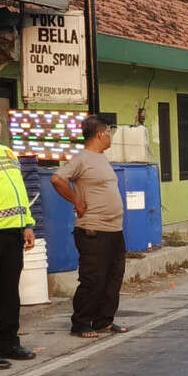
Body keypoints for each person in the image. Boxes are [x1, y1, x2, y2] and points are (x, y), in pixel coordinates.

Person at [50, 116, 129, 339]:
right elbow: (57, 179)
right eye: (109, 133)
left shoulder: (101, 158)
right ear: (100, 134)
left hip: (114, 229)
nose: (111, 137)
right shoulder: (82, 159)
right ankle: (81, 323)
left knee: (113, 277)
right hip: (93, 229)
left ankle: (104, 320)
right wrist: (76, 201)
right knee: (93, 278)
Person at [0, 99, 36, 370]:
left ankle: (9, 343)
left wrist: (27, 224)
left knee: (8, 292)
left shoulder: (7, 153)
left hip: (12, 233)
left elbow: (20, 193)